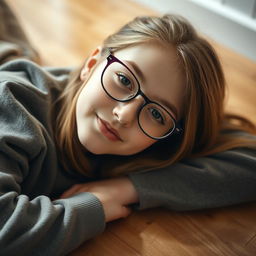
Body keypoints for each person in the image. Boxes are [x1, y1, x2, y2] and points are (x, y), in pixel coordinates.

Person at [0, 1, 255, 255]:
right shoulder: (12, 106)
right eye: (124, 80)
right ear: (91, 64)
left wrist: (127, 188)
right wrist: (93, 206)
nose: (124, 115)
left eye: (157, 113)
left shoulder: (159, 138)